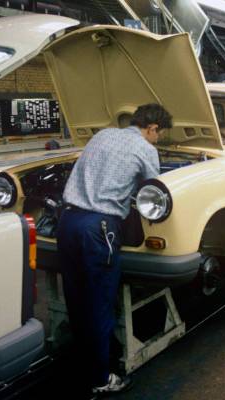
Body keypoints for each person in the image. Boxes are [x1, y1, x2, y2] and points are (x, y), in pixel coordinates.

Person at [57, 103, 172, 396]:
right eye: (160, 135)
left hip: (67, 222)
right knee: (99, 305)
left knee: (76, 298)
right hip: (99, 230)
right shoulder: (147, 150)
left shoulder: (103, 135)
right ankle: (100, 378)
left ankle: (81, 363)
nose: (158, 140)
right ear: (152, 128)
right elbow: (152, 190)